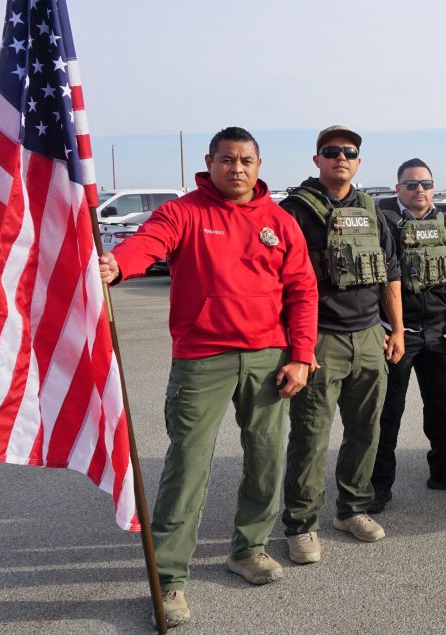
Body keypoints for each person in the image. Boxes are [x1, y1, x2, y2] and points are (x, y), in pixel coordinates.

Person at [99, 127, 318, 628]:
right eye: (226, 160)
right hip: (203, 359)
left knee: (265, 459)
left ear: (259, 165)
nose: (236, 168)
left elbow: (302, 291)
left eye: (245, 160)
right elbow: (147, 242)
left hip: (267, 357)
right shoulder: (185, 212)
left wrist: (301, 356)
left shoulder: (280, 222)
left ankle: (248, 548)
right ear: (209, 162)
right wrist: (118, 264)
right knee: (188, 467)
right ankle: (170, 578)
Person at [277, 125, 404, 565]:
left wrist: (398, 329)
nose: (341, 158)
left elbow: (390, 272)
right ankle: (301, 523)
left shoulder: (371, 208)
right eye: (331, 152)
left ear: (358, 161)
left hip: (370, 334)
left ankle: (352, 509)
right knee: (311, 436)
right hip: (320, 340)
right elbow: (280, 284)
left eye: (349, 152)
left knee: (366, 430)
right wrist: (298, 345)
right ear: (317, 160)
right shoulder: (295, 210)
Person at [369, 158, 446, 513]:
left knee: (440, 409)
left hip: (439, 334)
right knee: (389, 413)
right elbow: (375, 279)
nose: (420, 190)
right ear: (397, 187)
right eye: (412, 184)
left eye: (426, 184)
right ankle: (379, 486)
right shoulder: (383, 221)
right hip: (397, 334)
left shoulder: (445, 223)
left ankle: (444, 471)